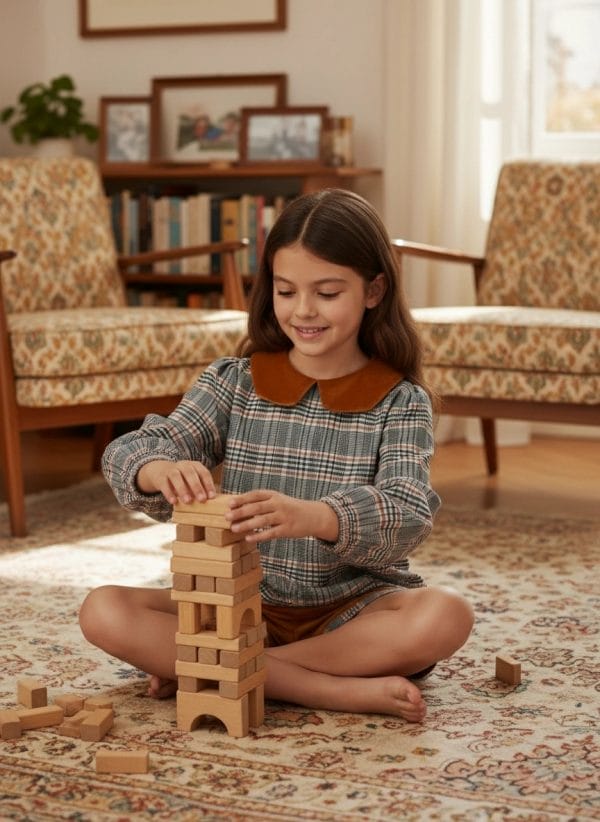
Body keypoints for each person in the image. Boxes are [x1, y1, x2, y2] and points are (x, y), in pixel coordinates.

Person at [79, 189, 474, 723]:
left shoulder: (401, 402)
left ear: (374, 290)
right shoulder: (235, 382)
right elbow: (133, 450)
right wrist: (161, 470)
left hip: (350, 611)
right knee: (102, 609)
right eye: (286, 291)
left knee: (447, 616)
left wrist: (313, 516)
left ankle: (227, 670)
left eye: (328, 293)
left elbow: (408, 514)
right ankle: (320, 689)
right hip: (236, 603)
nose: (303, 310)